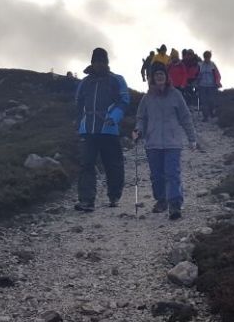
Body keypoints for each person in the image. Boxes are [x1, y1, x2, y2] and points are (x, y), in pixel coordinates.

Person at [134, 61, 198, 220]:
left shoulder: (176, 95)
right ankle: (161, 200)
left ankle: (175, 204)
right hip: (153, 143)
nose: (159, 77)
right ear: (152, 78)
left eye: (162, 74)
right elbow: (141, 117)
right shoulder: (147, 98)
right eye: (156, 74)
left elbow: (185, 117)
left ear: (166, 76)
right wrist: (138, 130)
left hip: (172, 142)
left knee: (172, 173)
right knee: (156, 176)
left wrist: (192, 138)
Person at [74, 47, 130, 212]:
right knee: (86, 164)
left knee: (113, 164)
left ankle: (114, 196)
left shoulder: (116, 80)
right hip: (88, 130)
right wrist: (79, 124)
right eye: (96, 61)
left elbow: (124, 100)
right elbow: (78, 104)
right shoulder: (84, 82)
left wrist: (115, 117)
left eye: (102, 61)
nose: (99, 64)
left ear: (107, 62)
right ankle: (86, 200)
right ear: (92, 62)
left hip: (109, 129)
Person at [195, 50, 222, 122]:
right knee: (204, 101)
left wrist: (217, 82)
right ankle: (205, 116)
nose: (207, 58)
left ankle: (211, 112)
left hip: (211, 86)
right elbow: (196, 74)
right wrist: (197, 82)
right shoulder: (200, 65)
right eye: (206, 57)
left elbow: (217, 74)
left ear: (210, 57)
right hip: (202, 86)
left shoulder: (213, 65)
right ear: (204, 57)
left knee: (211, 101)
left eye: (208, 57)